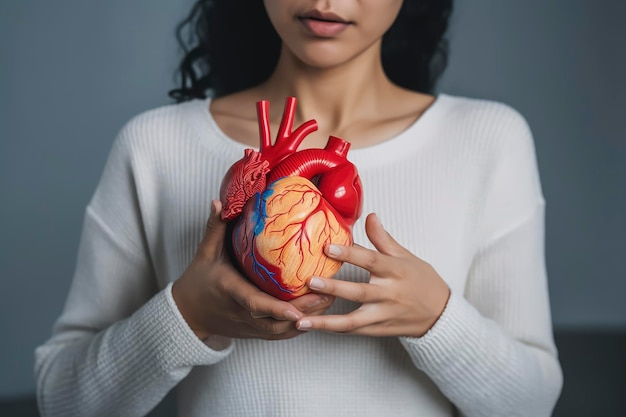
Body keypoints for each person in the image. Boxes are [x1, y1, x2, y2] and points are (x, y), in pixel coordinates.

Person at [34, 1, 563, 416]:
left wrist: (437, 319)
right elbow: (62, 400)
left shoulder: (488, 141)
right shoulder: (154, 146)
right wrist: (188, 314)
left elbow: (532, 403)